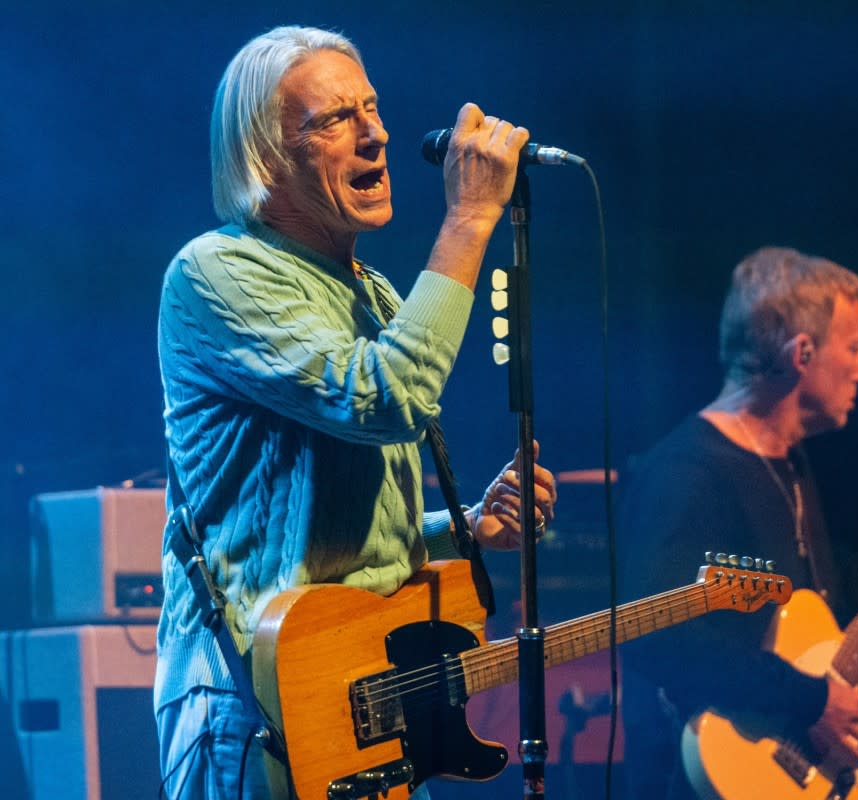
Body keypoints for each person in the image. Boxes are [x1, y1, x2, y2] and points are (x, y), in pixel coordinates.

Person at [154, 25, 557, 800]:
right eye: (336, 119)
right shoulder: (217, 271)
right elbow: (388, 398)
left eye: (371, 109)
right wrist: (470, 220)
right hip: (256, 701)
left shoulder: (372, 293)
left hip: (353, 689)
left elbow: (335, 531)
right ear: (266, 158)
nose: (376, 134)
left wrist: (465, 528)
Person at [618, 246, 858, 798]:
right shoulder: (686, 471)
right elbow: (654, 637)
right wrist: (808, 701)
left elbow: (812, 626)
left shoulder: (789, 462)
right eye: (854, 348)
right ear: (802, 352)